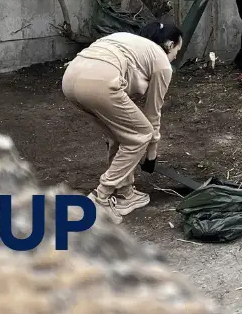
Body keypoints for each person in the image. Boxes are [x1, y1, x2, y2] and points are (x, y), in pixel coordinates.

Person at [61, 20, 183, 224]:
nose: (176, 56)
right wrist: (151, 154)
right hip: (99, 82)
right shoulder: (162, 62)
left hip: (70, 79)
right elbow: (153, 113)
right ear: (169, 45)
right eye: (177, 50)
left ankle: (125, 194)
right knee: (140, 134)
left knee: (119, 133)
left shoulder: (127, 42)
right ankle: (101, 197)